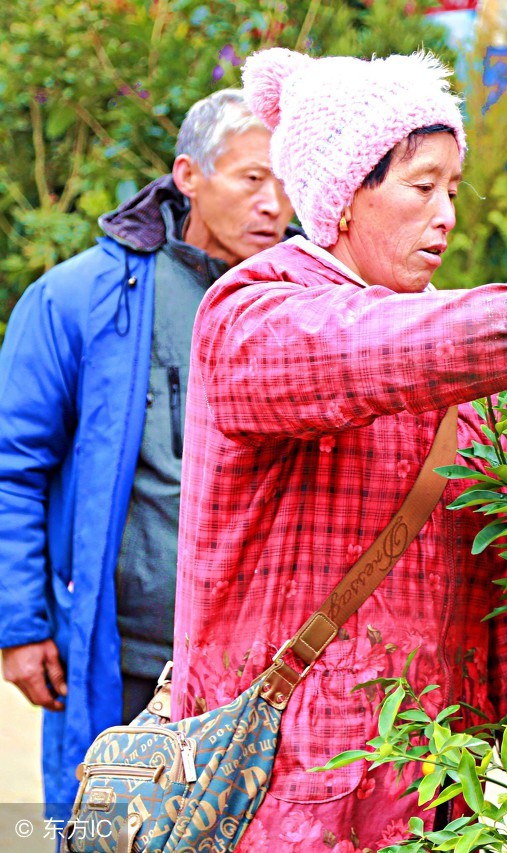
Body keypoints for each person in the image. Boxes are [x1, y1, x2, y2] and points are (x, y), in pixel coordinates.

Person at [170, 48, 507, 849]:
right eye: (422, 187)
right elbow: (347, 347)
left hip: (425, 788)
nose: (446, 214)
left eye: (452, 189)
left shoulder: (451, 362)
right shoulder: (248, 314)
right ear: (346, 196)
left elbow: (505, 582)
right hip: (275, 785)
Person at [0, 89, 292, 818]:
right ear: (188, 176)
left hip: (262, 656)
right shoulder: (78, 298)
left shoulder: (300, 305)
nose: (274, 203)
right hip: (121, 647)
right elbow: (13, 466)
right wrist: (21, 625)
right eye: (252, 177)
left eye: (286, 181)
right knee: (111, 825)